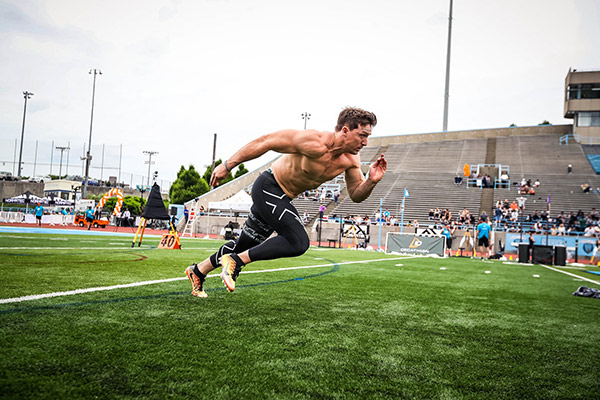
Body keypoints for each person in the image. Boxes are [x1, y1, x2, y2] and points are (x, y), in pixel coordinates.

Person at [184, 107, 386, 298]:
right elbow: (267, 141)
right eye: (363, 135)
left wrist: (371, 181)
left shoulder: (351, 160)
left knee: (245, 244)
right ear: (345, 130)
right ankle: (236, 262)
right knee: (298, 241)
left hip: (283, 197)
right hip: (268, 186)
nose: (366, 142)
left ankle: (198, 271)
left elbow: (356, 195)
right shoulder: (314, 141)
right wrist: (228, 165)